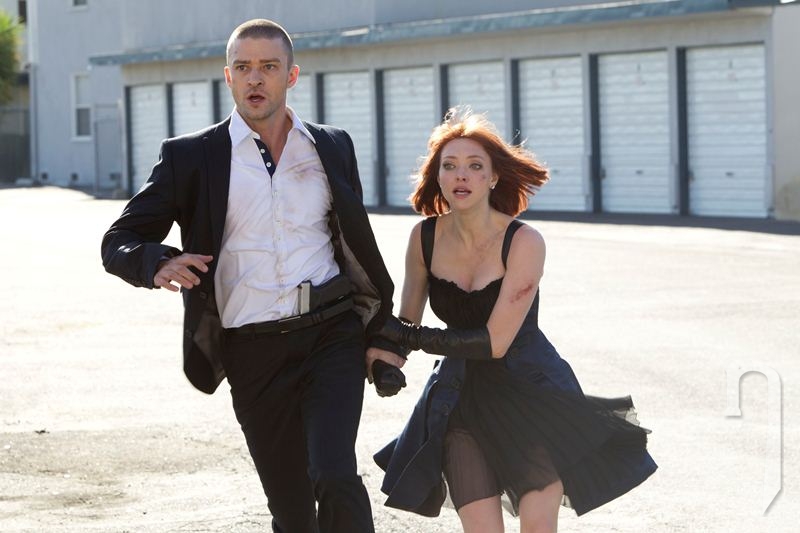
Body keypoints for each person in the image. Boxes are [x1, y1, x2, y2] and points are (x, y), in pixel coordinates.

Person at [101, 19, 405, 533]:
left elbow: (352, 242)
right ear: (228, 77)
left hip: (330, 334)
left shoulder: (332, 145)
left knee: (334, 474)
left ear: (292, 75)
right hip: (251, 348)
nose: (255, 78)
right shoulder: (192, 156)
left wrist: (378, 328)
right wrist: (157, 262)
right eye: (243, 67)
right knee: (291, 509)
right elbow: (119, 240)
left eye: (268, 66)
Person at [371, 106, 657, 532]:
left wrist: (406, 337)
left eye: (475, 166)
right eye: (449, 166)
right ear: (438, 177)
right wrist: (384, 361)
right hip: (460, 399)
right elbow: (405, 323)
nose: (461, 176)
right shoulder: (423, 237)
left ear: (493, 177)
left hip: (531, 395)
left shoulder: (524, 241)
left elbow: (495, 342)